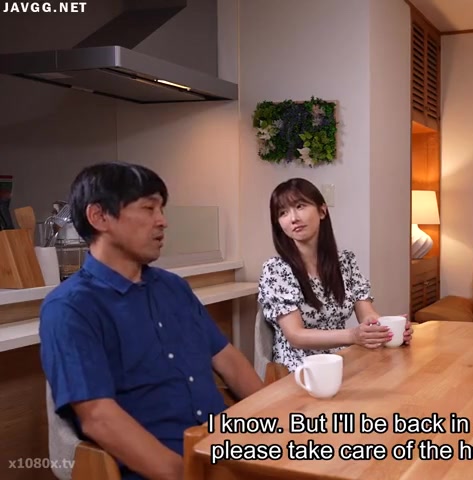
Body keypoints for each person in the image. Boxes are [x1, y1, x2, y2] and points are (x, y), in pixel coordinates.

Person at [39, 162, 264, 480]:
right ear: (99, 216)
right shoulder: (71, 308)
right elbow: (99, 418)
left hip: (226, 450)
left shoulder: (174, 288)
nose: (162, 221)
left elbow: (228, 360)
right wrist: (190, 474)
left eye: (161, 209)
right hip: (168, 469)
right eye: (148, 208)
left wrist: (277, 428)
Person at [258, 178, 413, 373]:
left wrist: (387, 330)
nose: (293, 218)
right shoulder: (276, 269)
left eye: (300, 206)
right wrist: (352, 336)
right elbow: (296, 335)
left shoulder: (345, 262)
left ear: (322, 211)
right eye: (283, 213)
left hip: (341, 361)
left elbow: (367, 314)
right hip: (300, 371)